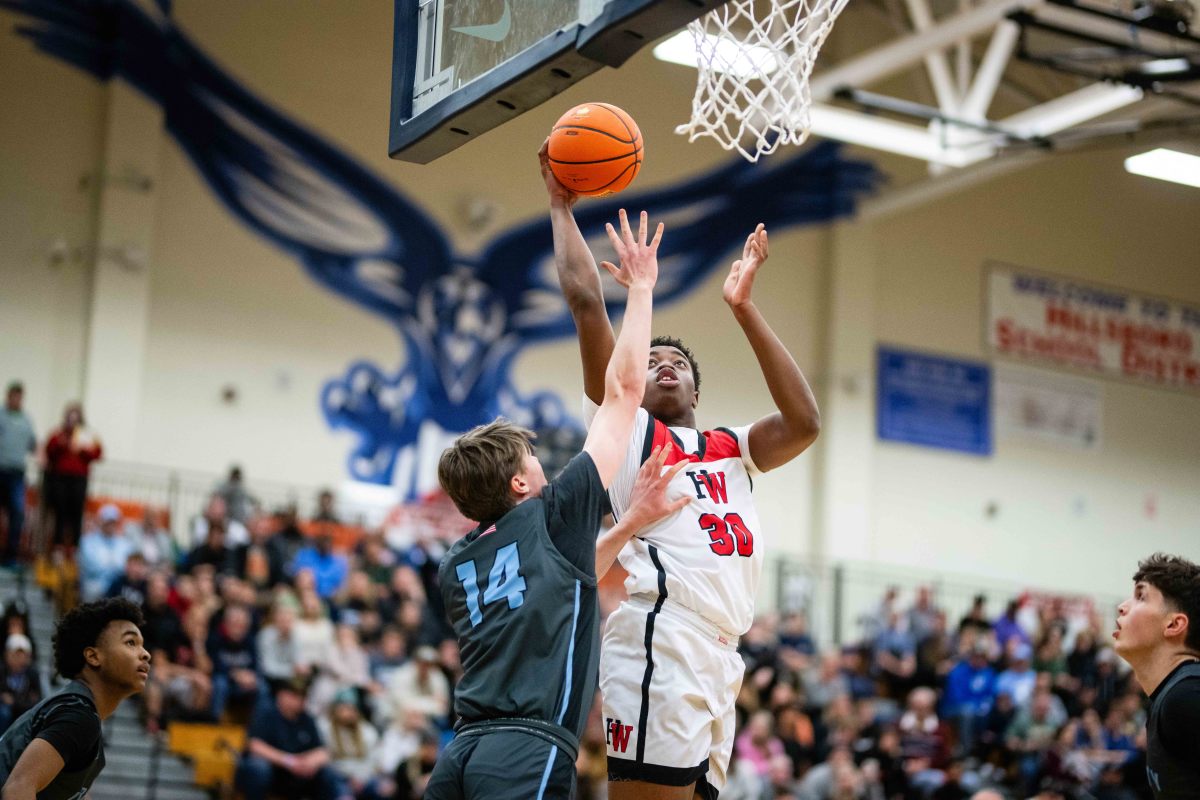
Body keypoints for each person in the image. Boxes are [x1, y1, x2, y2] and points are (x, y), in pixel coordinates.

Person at [542, 144, 820, 799]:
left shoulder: (732, 448)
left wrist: (744, 307)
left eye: (680, 362)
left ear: (696, 388)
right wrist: (561, 204)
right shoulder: (628, 428)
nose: (665, 364)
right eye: (655, 358)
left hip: (722, 655)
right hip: (661, 639)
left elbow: (805, 422)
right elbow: (587, 303)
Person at [425, 208, 686, 800]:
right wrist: (642, 289)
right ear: (520, 485)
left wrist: (633, 524)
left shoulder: (457, 565)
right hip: (527, 748)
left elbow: (563, 580)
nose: (544, 467)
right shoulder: (553, 511)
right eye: (532, 462)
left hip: (461, 753)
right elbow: (622, 392)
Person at [0, 598, 149, 799]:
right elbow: (17, 789)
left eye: (142, 645)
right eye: (131, 642)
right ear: (93, 656)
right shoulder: (78, 714)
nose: (146, 654)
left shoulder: (81, 713)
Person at [1111, 553, 1200, 798]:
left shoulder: (1186, 696)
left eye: (1141, 596)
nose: (1122, 606)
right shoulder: (1171, 696)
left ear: (1173, 625)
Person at [236, 678, 345, 800]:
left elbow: (323, 751)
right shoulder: (266, 714)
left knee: (329, 772)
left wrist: (310, 761)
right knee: (258, 767)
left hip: (299, 773)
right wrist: (289, 761)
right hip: (275, 772)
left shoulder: (307, 719)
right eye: (294, 695)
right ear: (281, 695)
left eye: (302, 696)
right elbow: (255, 745)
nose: (299, 700)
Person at [43, 402, 102, 552]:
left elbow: (98, 453)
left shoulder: (87, 435)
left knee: (76, 513)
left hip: (79, 480)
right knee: (60, 512)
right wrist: (61, 445)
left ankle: (74, 548)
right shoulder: (58, 434)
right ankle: (57, 547)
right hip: (60, 479)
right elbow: (49, 451)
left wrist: (82, 450)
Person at [0, 382, 36, 566]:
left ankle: (11, 556)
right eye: (13, 396)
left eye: (19, 397)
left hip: (16, 474)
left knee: (18, 513)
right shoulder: (1, 415)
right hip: (0, 469)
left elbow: (33, 444)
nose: (16, 400)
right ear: (8, 396)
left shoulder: (26, 420)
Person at [78, 504, 133, 602]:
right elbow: (91, 567)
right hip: (95, 583)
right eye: (107, 522)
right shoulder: (87, 541)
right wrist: (114, 570)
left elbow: (127, 566)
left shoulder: (124, 544)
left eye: (113, 522)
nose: (110, 525)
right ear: (100, 521)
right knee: (93, 590)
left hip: (119, 584)